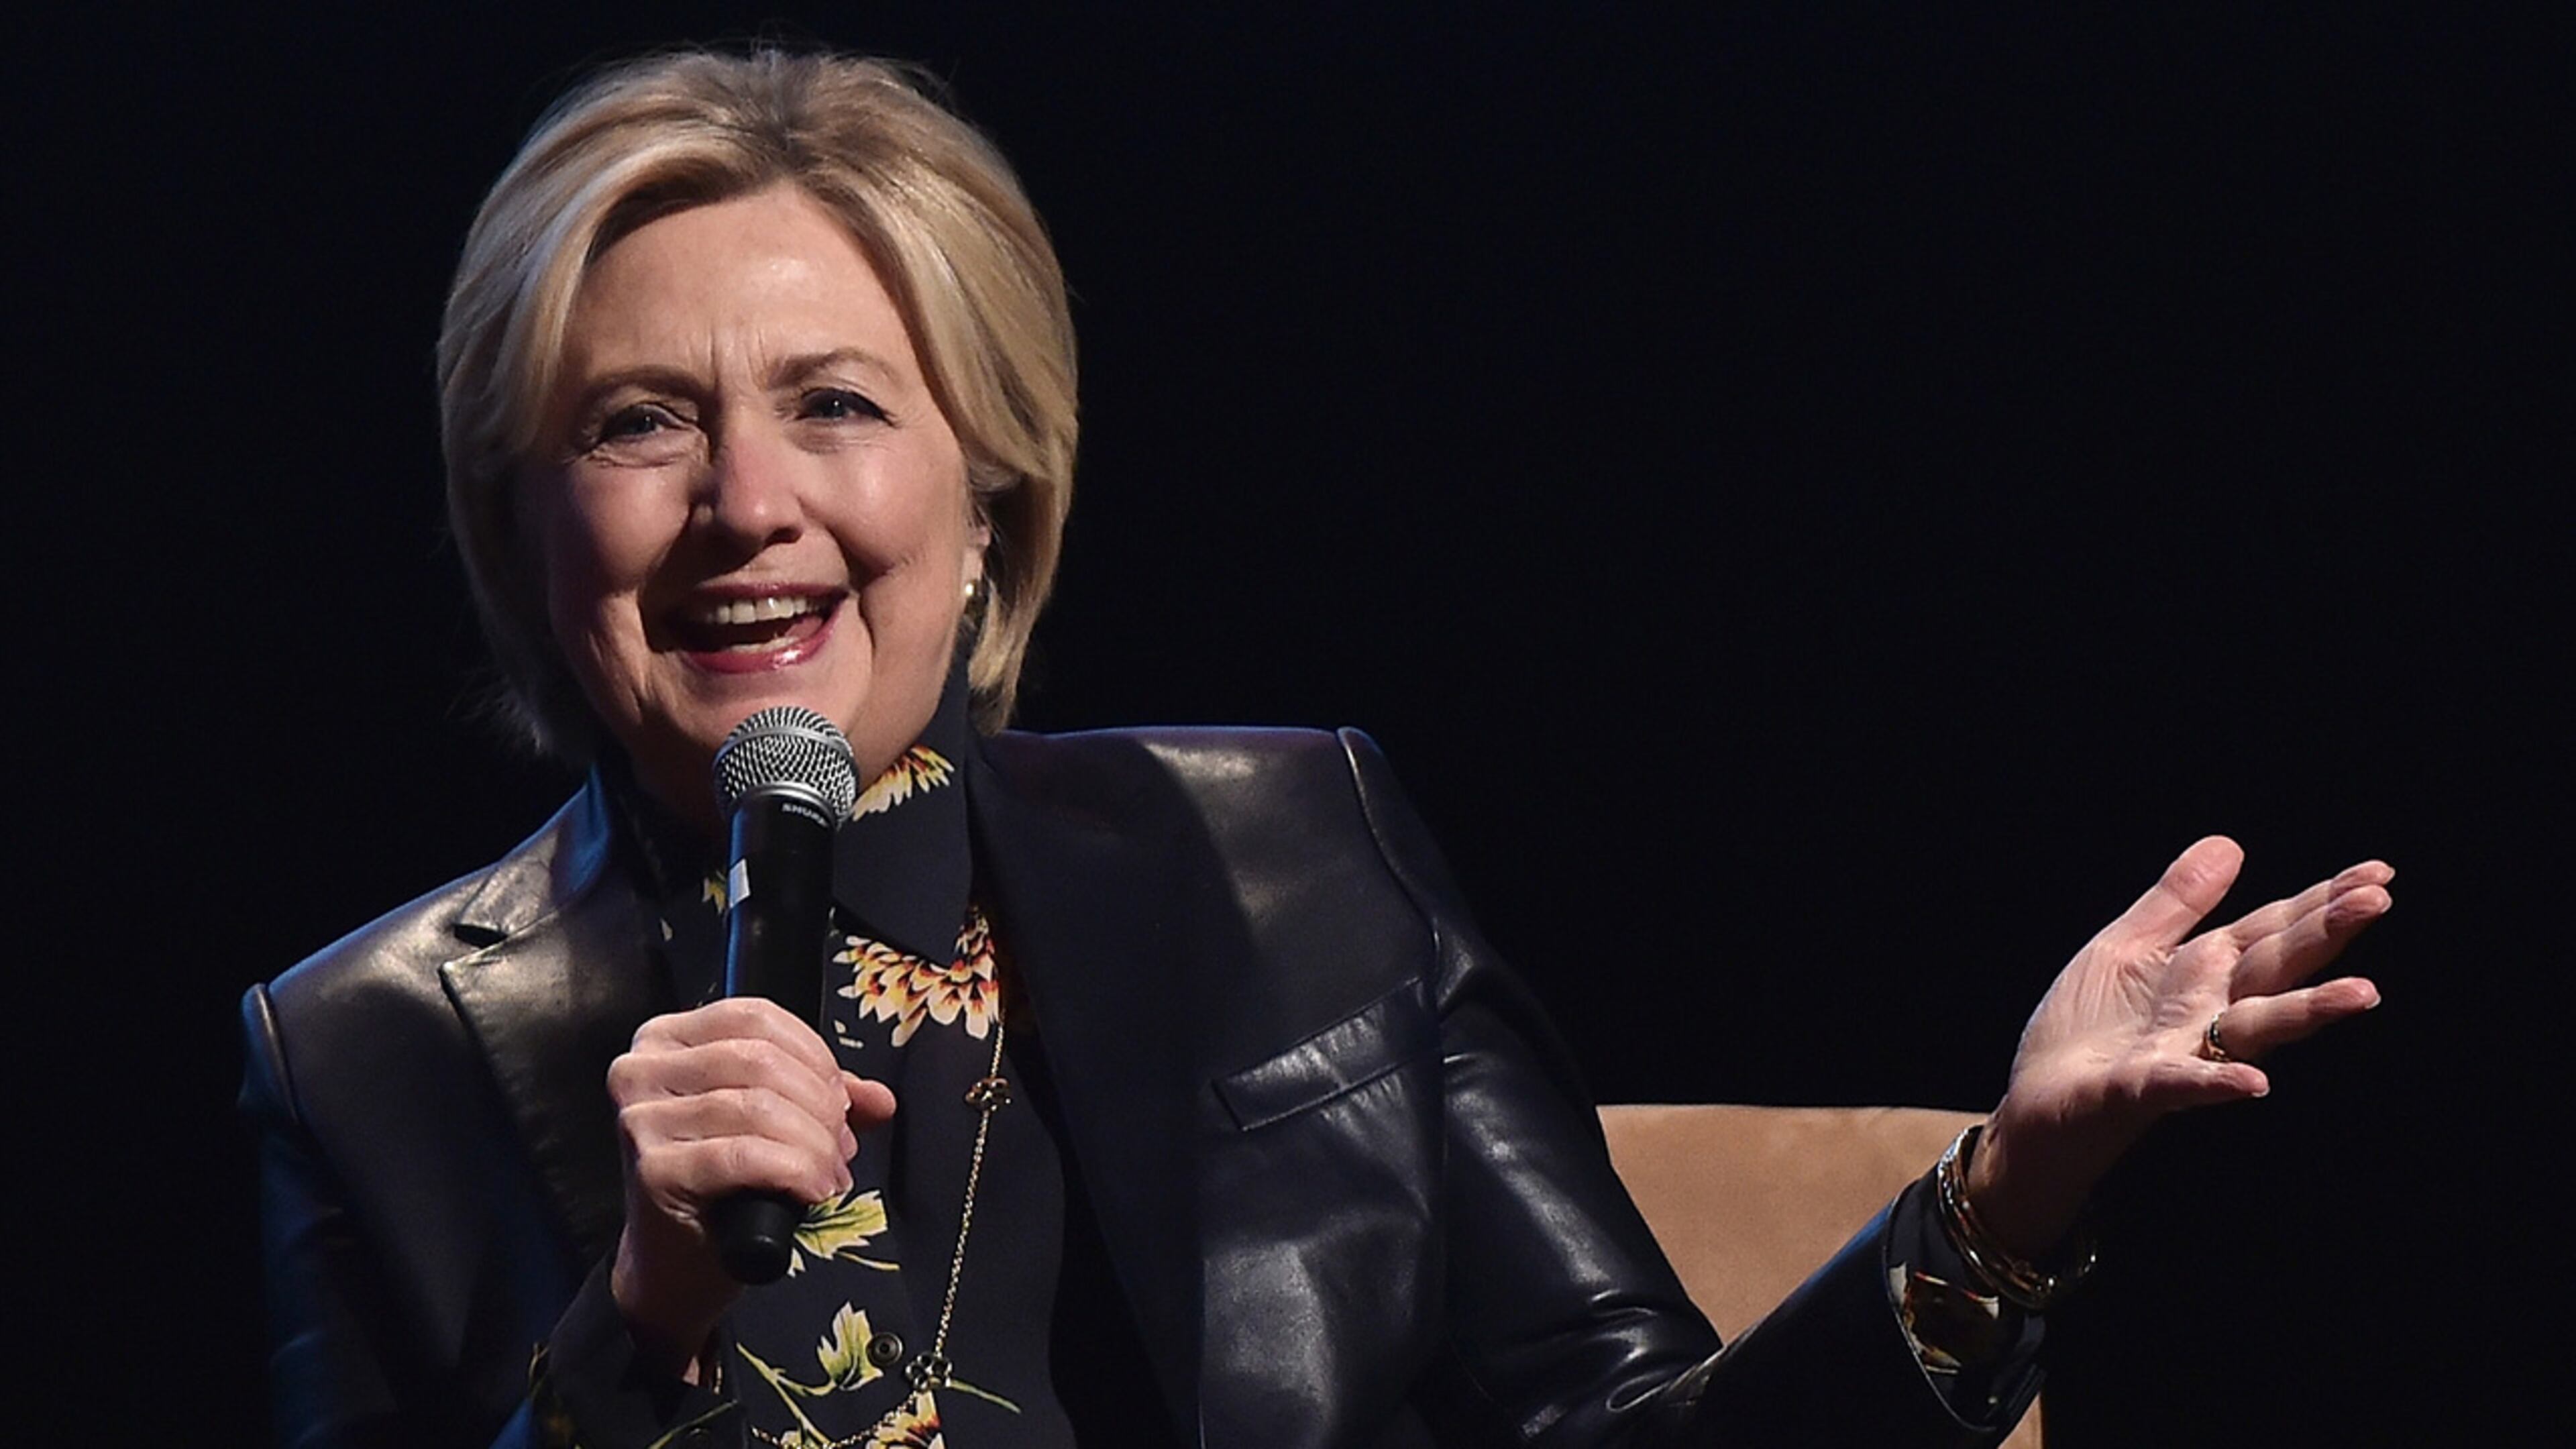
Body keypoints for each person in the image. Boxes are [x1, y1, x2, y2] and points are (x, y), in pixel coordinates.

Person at [239, 48, 2392, 1449]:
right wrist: (646, 1323)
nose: (743, 501)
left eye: (838, 401)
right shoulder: (364, 1057)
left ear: (991, 492)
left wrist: (2006, 1198)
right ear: (521, 526)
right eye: (636, 423)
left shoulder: (1294, 860)